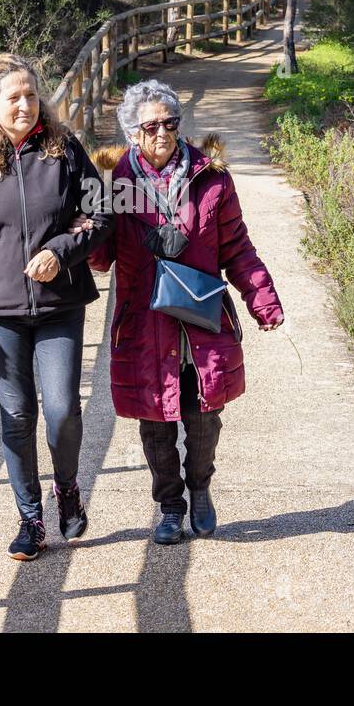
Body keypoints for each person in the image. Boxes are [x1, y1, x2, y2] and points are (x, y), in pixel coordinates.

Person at [79, 80, 284, 545]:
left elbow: (238, 248)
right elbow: (98, 257)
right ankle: (170, 505)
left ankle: (201, 489)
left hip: (200, 320)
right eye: (150, 126)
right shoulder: (114, 186)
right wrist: (87, 225)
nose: (162, 134)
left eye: (170, 124)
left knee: (203, 416)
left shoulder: (211, 178)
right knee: (155, 423)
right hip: (143, 324)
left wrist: (263, 300)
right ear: (132, 132)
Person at [0, 53, 112, 561]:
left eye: (31, 95)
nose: (24, 105)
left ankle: (68, 487)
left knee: (60, 411)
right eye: (13, 97)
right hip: (0, 310)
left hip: (60, 303)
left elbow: (102, 216)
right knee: (16, 414)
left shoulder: (63, 150)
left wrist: (61, 253)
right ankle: (30, 520)